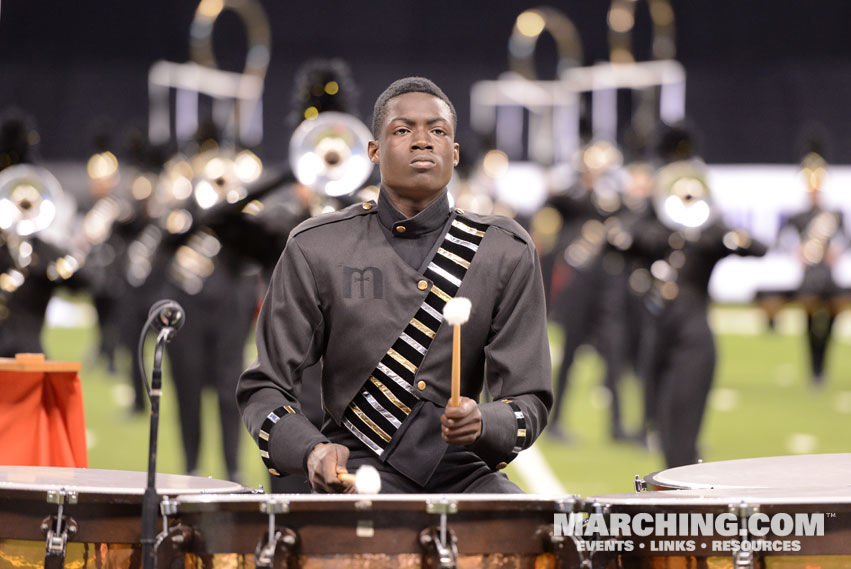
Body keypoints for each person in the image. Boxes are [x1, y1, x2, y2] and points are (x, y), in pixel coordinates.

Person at [237, 77, 552, 493]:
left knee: (534, 541)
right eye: (403, 130)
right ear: (373, 151)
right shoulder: (317, 245)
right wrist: (312, 450)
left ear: (454, 153)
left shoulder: (505, 249)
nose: (423, 141)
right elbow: (265, 385)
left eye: (437, 131)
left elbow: (529, 397)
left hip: (462, 471)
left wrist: (483, 420)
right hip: (357, 465)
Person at [778, 150, 849, 386]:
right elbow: (780, 240)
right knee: (808, 323)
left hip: (828, 277)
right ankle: (814, 370)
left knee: (830, 321)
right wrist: (795, 251)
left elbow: (846, 239)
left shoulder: (834, 214)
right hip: (808, 277)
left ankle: (822, 367)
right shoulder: (798, 216)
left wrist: (836, 252)